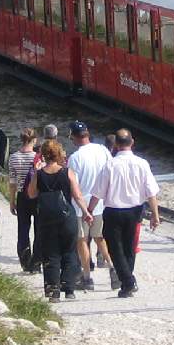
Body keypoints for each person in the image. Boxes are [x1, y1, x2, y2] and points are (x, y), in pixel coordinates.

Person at [86, 129, 160, 299]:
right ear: (132, 142)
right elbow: (151, 192)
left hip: (113, 211)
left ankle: (128, 282)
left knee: (115, 249)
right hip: (135, 210)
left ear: (116, 145)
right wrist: (155, 214)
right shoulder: (142, 163)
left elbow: (98, 192)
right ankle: (127, 282)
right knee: (129, 248)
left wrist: (89, 210)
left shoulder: (110, 165)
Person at [27, 139, 91, 301]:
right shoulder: (67, 172)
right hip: (66, 217)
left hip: (46, 218)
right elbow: (77, 195)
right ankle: (69, 289)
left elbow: (31, 194)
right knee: (69, 251)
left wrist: (36, 173)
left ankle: (53, 291)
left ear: (43, 155)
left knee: (50, 254)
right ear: (58, 154)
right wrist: (86, 212)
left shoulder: (39, 174)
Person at [67, 122, 113, 290]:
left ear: (73, 137)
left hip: (81, 206)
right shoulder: (102, 150)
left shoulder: (75, 158)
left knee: (82, 241)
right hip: (100, 202)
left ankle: (86, 277)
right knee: (100, 238)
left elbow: (73, 185)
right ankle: (112, 267)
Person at [8, 128, 39, 273]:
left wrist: (12, 201)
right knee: (39, 230)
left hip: (21, 197)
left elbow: (12, 182)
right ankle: (37, 263)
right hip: (36, 197)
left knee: (23, 230)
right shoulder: (38, 158)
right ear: (35, 140)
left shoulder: (14, 157)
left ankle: (26, 263)